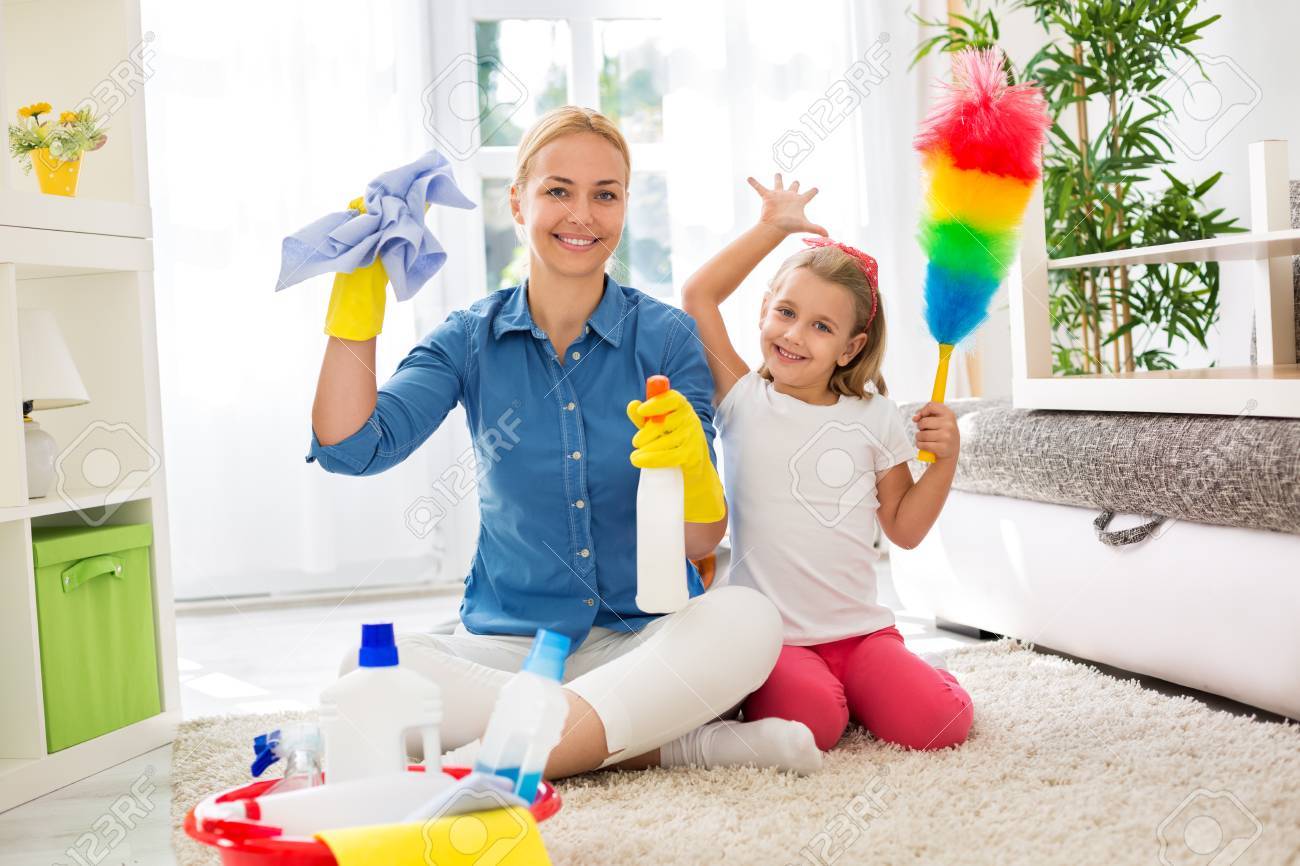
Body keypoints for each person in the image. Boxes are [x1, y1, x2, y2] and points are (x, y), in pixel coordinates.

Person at [308, 107, 822, 779]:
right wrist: (357, 298)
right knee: (367, 668)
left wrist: (692, 463)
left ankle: (492, 756)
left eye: (604, 194)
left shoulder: (664, 336)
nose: (582, 214)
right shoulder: (470, 337)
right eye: (558, 190)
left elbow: (701, 541)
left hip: (641, 641)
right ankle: (679, 745)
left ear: (625, 207)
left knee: (748, 620)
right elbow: (352, 448)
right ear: (517, 200)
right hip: (505, 647)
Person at [681, 173, 974, 754]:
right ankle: (832, 695)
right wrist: (771, 228)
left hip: (863, 633)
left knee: (943, 725)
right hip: (775, 639)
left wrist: (944, 462)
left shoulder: (877, 416)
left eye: (821, 326)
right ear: (764, 311)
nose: (794, 335)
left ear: (850, 347)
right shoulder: (741, 399)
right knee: (813, 728)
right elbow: (698, 296)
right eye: (785, 312)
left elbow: (905, 530)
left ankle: (881, 685)